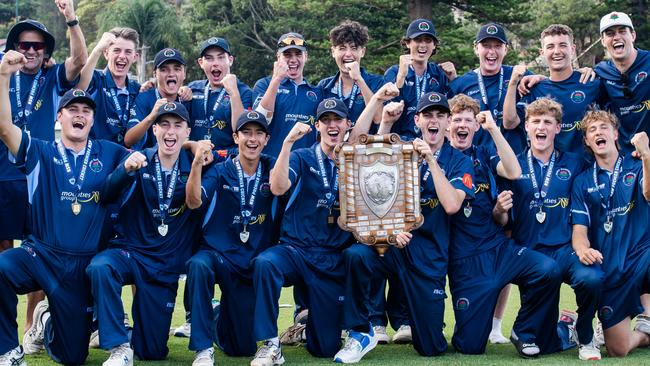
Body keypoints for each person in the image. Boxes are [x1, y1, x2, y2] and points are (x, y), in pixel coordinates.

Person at [0, 52, 130, 366]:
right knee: (2, 267)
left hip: (82, 266)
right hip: (41, 255)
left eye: (86, 110)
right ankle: (7, 350)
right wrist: (3, 76)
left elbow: (156, 151)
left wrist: (191, 147)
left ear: (92, 119)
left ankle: (46, 320)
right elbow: (4, 127)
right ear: (60, 117)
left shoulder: (109, 152)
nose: (80, 115)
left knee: (72, 358)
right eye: (73, 109)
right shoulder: (39, 151)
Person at [334, 90, 475, 363]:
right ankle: (360, 331)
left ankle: (419, 324)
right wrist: (388, 232)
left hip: (428, 256)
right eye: (428, 116)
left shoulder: (460, 160)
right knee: (356, 256)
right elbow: (368, 180)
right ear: (417, 121)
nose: (434, 121)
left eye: (440, 115)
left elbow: (451, 205)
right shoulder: (401, 148)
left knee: (431, 347)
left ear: (447, 122)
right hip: (394, 246)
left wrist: (431, 160)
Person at [444, 93, 564, 357]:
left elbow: (513, 171)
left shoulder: (484, 154)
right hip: (466, 261)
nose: (462, 125)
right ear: (446, 124)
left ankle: (524, 329)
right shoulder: (440, 158)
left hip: (499, 249)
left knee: (547, 269)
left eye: (468, 120)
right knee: (470, 347)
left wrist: (494, 129)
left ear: (476, 126)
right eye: (456, 119)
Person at [86, 101, 202, 366]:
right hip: (132, 253)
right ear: (154, 130)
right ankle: (118, 345)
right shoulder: (139, 160)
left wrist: (197, 150)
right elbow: (105, 194)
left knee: (151, 351)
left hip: (164, 266)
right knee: (101, 267)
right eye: (164, 125)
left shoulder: (197, 165)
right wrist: (124, 171)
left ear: (187, 132)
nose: (170, 132)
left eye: (177, 126)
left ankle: (130, 336)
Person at [1, 0, 88, 339]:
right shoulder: (3, 71)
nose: (32, 51)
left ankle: (31, 329)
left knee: (39, 250)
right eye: (25, 45)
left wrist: (71, 19)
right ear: (14, 48)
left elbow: (80, 60)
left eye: (38, 45)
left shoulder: (52, 77)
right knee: (3, 254)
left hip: (39, 177)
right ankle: (5, 327)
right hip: (2, 177)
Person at [249, 98, 354, 366]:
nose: (332, 125)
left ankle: (308, 327)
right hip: (296, 250)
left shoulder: (355, 162)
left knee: (325, 348)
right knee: (266, 263)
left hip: (331, 258)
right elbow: (278, 187)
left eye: (338, 120)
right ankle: (270, 345)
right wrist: (286, 143)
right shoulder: (302, 156)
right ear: (317, 125)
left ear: (347, 125)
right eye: (326, 120)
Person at [504, 98, 603, 359]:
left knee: (591, 277)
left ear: (558, 128)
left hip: (564, 249)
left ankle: (583, 334)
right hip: (528, 252)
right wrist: (498, 210)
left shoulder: (575, 163)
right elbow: (500, 217)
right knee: (543, 345)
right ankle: (540, 330)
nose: (541, 127)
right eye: (535, 121)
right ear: (526, 126)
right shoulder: (512, 165)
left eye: (548, 122)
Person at [185, 110, 281, 366]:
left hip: (251, 261)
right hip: (219, 255)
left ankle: (218, 315)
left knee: (240, 348)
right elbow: (194, 202)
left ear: (266, 138)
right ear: (235, 137)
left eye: (258, 133)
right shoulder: (219, 169)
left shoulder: (272, 167)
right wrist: (195, 164)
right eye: (246, 133)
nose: (252, 139)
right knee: (198, 265)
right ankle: (203, 349)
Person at [570, 110, 650, 357]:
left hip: (642, 256)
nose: (598, 132)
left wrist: (647, 156)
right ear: (586, 140)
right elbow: (579, 231)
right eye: (592, 130)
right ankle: (646, 333)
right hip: (613, 268)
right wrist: (583, 250)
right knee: (618, 349)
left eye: (604, 127)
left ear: (616, 133)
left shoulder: (637, 166)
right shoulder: (582, 181)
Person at [503, 24, 602, 162]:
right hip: (548, 175)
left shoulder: (590, 82)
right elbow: (509, 123)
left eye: (562, 45)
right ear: (542, 52)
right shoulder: (534, 88)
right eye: (550, 47)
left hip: (586, 171)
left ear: (572, 49)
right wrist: (513, 83)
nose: (557, 51)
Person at [450, 23, 531, 154]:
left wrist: (538, 77)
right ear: (476, 48)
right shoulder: (461, 83)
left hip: (515, 161)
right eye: (486, 46)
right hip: (476, 163)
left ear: (506, 49)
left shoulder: (519, 75)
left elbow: (548, 89)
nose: (492, 52)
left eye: (498, 46)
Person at [384, 18, 456, 139]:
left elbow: (452, 109)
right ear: (407, 43)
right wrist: (401, 77)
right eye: (417, 40)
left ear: (434, 45)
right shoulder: (393, 72)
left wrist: (454, 80)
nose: (422, 45)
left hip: (432, 142)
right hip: (400, 141)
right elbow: (387, 107)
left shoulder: (439, 73)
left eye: (428, 40)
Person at [253, 32, 322, 157]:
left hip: (305, 166)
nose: (293, 60)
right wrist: (276, 79)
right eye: (287, 54)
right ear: (278, 57)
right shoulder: (264, 84)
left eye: (298, 54)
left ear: (306, 56)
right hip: (271, 163)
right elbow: (260, 120)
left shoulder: (317, 92)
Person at [595, 12, 650, 154]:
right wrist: (539, 78)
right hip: (626, 157)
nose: (617, 37)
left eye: (622, 31)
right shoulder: (600, 72)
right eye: (610, 33)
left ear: (633, 35)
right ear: (602, 41)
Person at [187, 37, 253, 151]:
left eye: (221, 57)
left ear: (230, 60)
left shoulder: (244, 92)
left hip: (227, 161)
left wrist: (233, 93)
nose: (215, 63)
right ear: (201, 63)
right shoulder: (192, 89)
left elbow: (242, 130)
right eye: (209, 58)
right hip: (196, 160)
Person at [77, 27, 141, 145]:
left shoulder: (138, 89)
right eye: (116, 50)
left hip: (125, 159)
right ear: (106, 53)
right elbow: (80, 87)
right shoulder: (95, 78)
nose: (122, 56)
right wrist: (96, 50)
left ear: (135, 57)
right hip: (95, 157)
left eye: (128, 52)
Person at [317, 20, 385, 125]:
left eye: (353, 48)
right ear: (333, 52)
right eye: (342, 48)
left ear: (362, 52)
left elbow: (378, 119)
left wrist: (359, 80)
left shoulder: (377, 83)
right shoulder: (324, 86)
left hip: (365, 141)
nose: (348, 54)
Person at [124, 48, 188, 149]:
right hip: (148, 162)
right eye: (164, 70)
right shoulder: (145, 98)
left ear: (184, 73)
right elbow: (128, 140)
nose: (171, 74)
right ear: (155, 74)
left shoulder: (187, 99)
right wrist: (151, 116)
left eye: (177, 69)